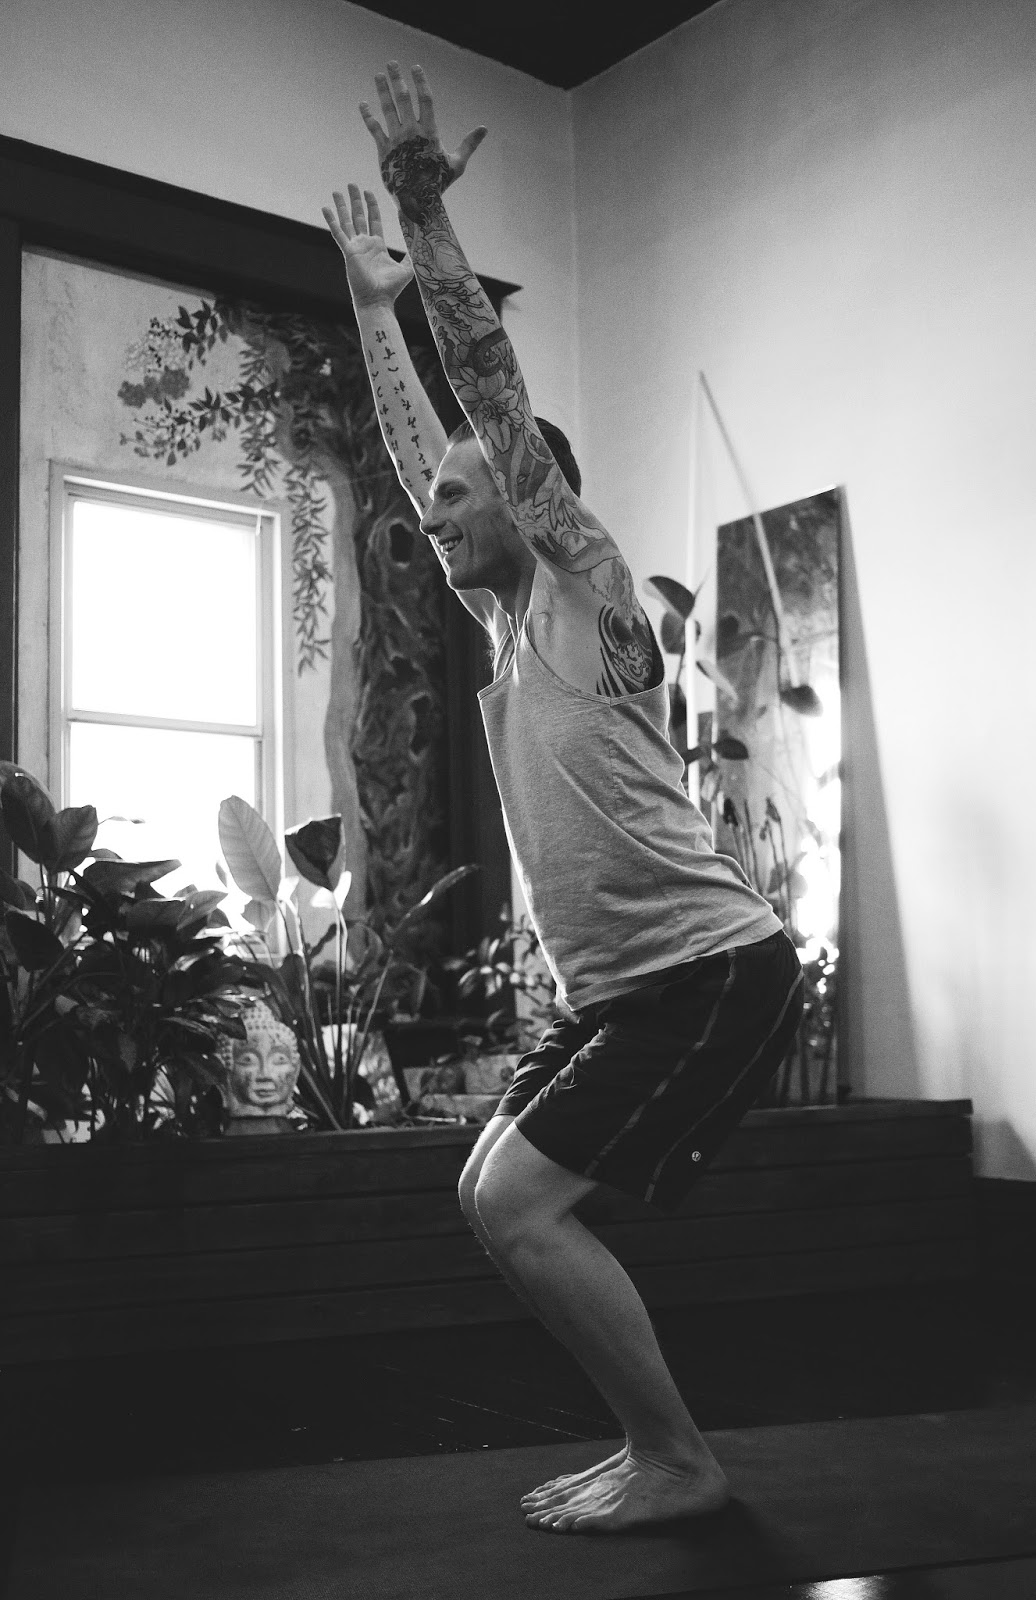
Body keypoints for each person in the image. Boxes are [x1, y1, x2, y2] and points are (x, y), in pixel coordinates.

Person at [324, 61, 804, 1534]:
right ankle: (655, 1446)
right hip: (624, 992)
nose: (434, 511)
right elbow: (429, 444)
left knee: (517, 1203)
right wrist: (368, 310)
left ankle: (676, 1458)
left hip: (707, 970)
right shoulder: (502, 629)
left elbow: (489, 404)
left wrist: (422, 216)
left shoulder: (587, 593)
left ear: (531, 505)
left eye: (460, 499)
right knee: (492, 1193)